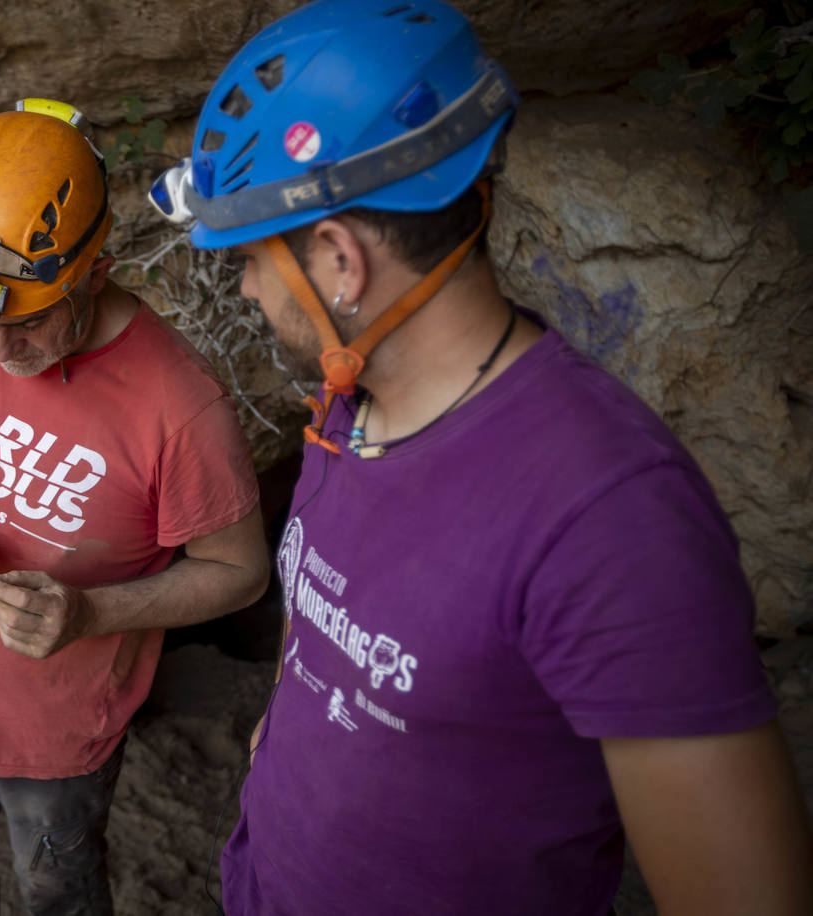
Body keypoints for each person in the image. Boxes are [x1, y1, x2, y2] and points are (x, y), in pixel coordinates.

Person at [148, 1, 813, 914]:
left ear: (338, 260)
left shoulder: (610, 519)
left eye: (250, 259)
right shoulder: (348, 406)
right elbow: (327, 617)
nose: (251, 288)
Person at [0, 98, 269, 915]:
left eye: (29, 323)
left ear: (95, 269)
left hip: (54, 734)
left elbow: (241, 572)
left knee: (57, 897)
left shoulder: (178, 405)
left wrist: (91, 613)